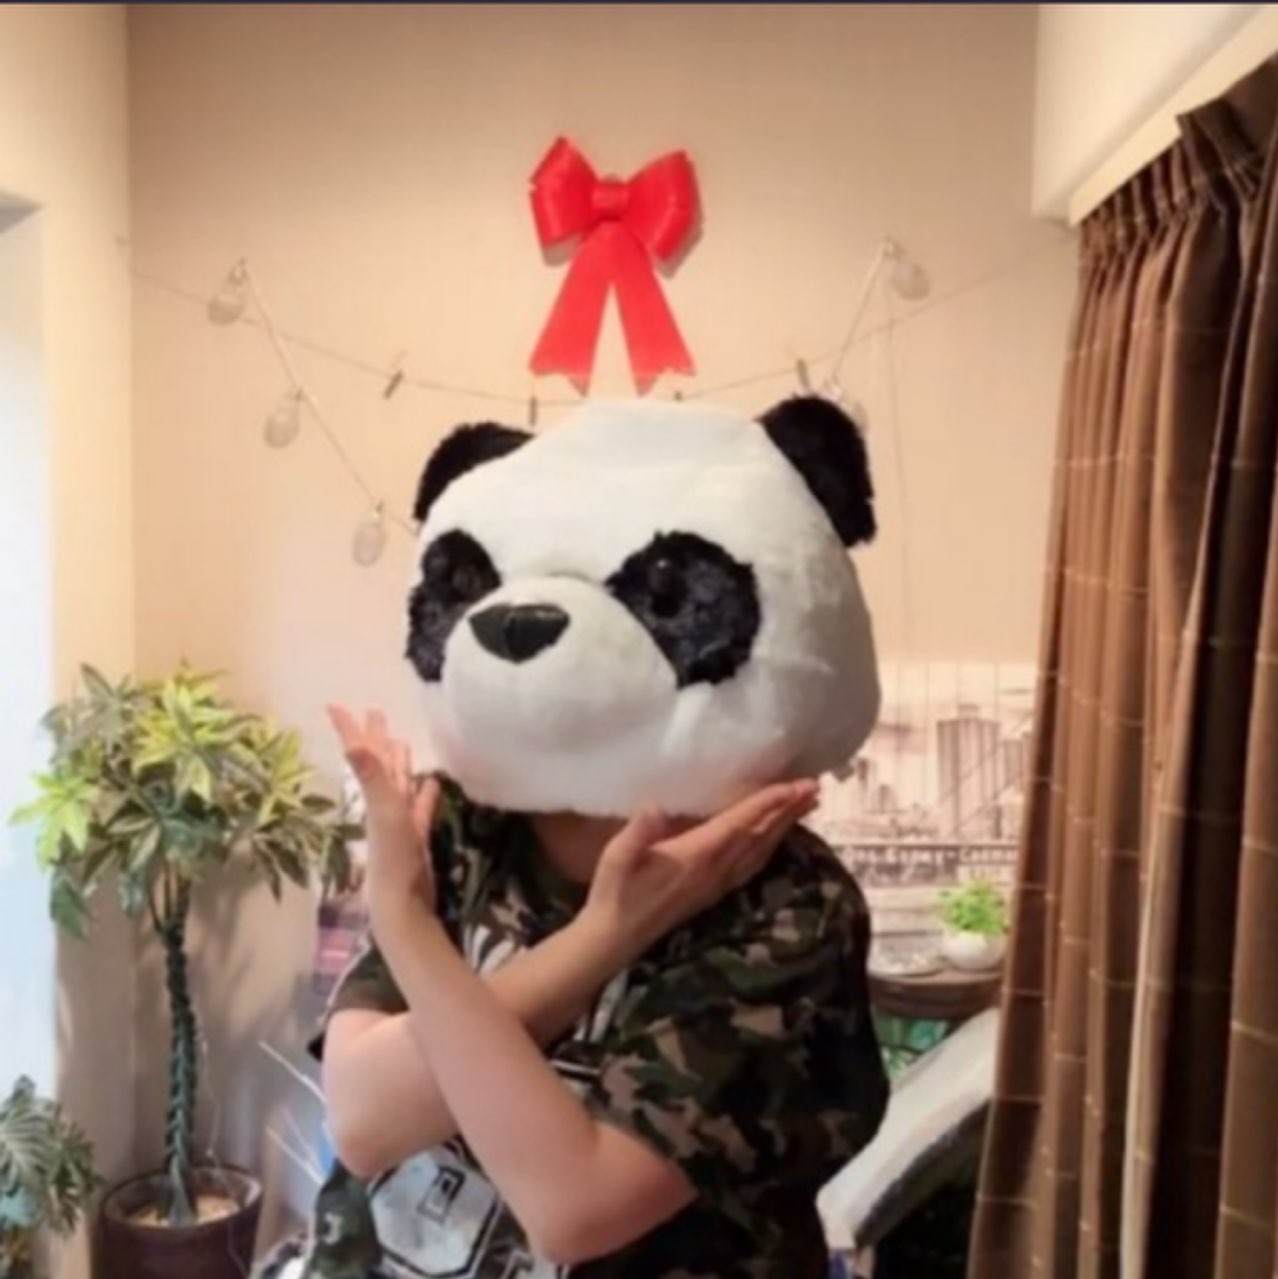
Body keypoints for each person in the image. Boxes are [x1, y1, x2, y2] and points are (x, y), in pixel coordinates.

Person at [262, 705, 887, 1279]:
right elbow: (363, 1122)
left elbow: (573, 1210)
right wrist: (602, 939)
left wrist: (409, 925)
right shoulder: (460, 817)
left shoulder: (786, 896)